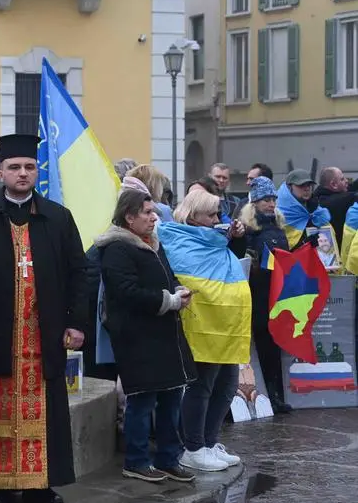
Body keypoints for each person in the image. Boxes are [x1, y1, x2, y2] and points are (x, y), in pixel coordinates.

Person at [0, 134, 87, 503]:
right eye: (14, 167)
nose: (22, 173)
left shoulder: (58, 218)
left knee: (46, 410)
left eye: (29, 167)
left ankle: (40, 484)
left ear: (37, 172)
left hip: (43, 333)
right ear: (1, 172)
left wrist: (77, 323)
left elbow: (80, 273)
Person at [94, 190, 195, 483]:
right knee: (143, 399)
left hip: (165, 335)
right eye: (147, 212)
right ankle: (136, 460)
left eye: (154, 212)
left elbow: (167, 275)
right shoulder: (116, 248)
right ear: (129, 216)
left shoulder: (152, 242)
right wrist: (169, 301)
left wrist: (177, 289)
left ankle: (168, 458)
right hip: (137, 336)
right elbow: (126, 293)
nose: (154, 217)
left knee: (171, 396)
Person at [167, 191, 246, 473]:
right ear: (192, 217)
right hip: (202, 327)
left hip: (225, 325)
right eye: (211, 215)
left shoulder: (215, 242)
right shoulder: (180, 242)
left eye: (218, 215)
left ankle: (210, 443)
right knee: (202, 387)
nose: (217, 220)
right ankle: (194, 447)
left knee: (226, 387)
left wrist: (238, 236)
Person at [239, 176, 291, 414]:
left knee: (274, 347)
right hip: (257, 294)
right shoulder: (249, 230)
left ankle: (276, 395)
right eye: (265, 200)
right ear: (255, 203)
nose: (271, 204)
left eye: (273, 199)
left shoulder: (278, 226)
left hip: (276, 294)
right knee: (261, 347)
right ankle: (264, 396)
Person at [278, 169, 331, 249]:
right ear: (289, 187)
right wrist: (304, 244)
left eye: (309, 185)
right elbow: (280, 247)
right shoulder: (279, 212)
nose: (306, 189)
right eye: (301, 185)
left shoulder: (316, 210)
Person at [315, 167, 355, 247]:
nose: (347, 181)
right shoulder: (340, 201)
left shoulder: (317, 200)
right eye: (342, 179)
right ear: (333, 184)